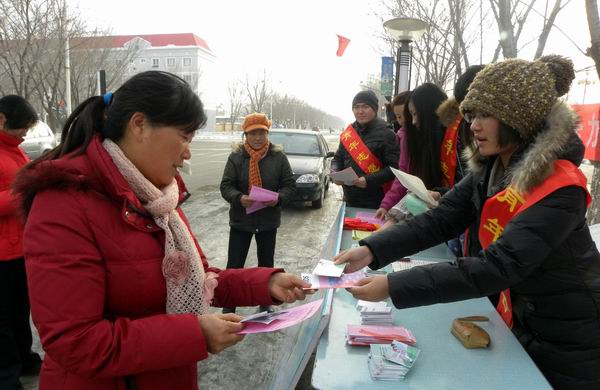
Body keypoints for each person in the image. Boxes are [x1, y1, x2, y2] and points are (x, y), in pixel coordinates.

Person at [13, 71, 310, 390]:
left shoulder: (157, 197)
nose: (188, 152)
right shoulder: (63, 205)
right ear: (139, 125)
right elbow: (76, 342)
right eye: (184, 136)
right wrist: (196, 334)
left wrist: (266, 282)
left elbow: (200, 280)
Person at [335, 55, 600, 389]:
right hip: (520, 319)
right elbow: (441, 219)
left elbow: (499, 265)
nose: (473, 126)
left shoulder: (560, 186)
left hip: (569, 337)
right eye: (471, 114)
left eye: (485, 115)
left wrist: (393, 286)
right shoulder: (490, 168)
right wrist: (371, 250)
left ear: (518, 117)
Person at [220, 113, 296, 313]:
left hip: (268, 221)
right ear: (245, 134)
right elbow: (226, 186)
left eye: (262, 132)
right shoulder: (236, 157)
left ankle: (266, 303)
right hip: (241, 220)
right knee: (234, 267)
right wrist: (239, 198)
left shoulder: (278, 156)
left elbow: (289, 185)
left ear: (267, 133)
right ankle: (228, 308)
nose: (258, 137)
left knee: (266, 266)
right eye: (253, 133)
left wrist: (278, 198)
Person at [0, 95, 42, 390]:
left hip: (21, 249)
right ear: (2, 120)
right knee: (1, 320)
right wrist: (27, 191)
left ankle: (24, 359)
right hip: (1, 254)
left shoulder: (15, 151)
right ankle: (6, 377)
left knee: (19, 312)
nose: (25, 134)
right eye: (22, 128)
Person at [331, 90, 399, 209]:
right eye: (356, 107)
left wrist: (368, 180)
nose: (360, 111)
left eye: (365, 107)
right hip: (349, 200)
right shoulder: (349, 133)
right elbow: (338, 158)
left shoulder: (387, 133)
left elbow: (394, 168)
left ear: (374, 109)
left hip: (376, 203)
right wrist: (334, 172)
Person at [374, 91, 411, 220]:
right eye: (399, 117)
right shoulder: (401, 135)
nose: (403, 121)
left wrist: (386, 204)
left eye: (409, 115)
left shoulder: (407, 137)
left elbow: (403, 174)